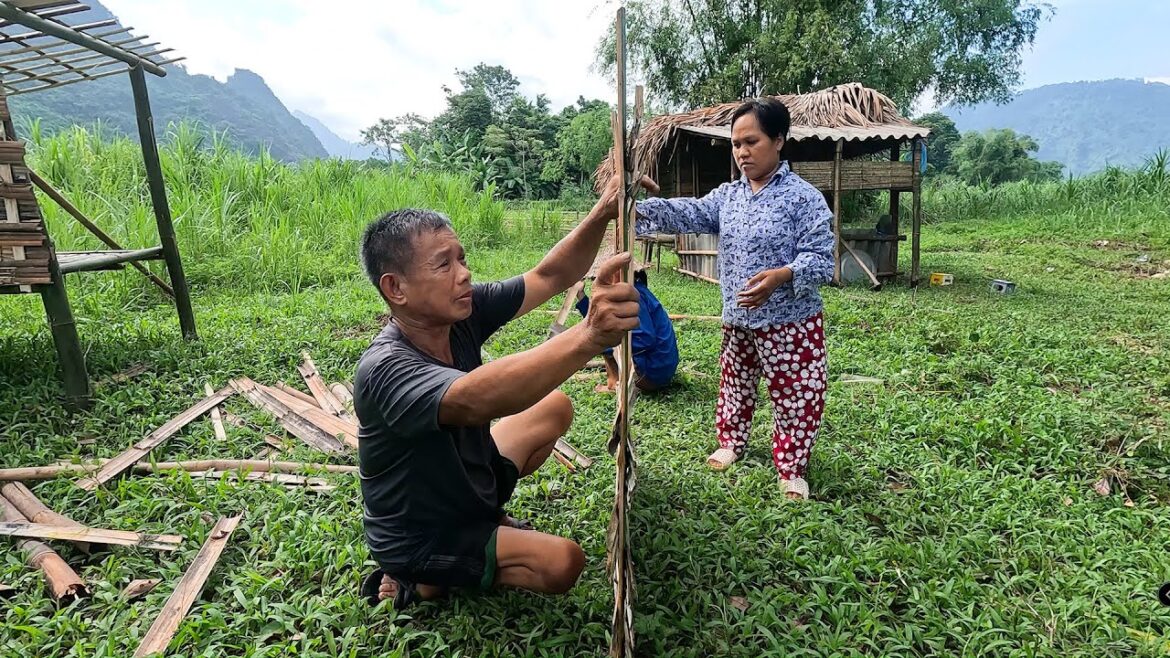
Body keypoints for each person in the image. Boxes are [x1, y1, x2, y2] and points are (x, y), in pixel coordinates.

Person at [354, 174, 657, 609]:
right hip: (422, 532)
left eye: (462, 259)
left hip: (469, 486)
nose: (464, 274)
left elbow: (550, 275)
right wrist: (589, 335)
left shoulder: (462, 312)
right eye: (444, 265)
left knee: (555, 406)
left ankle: (485, 526)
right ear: (395, 288)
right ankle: (421, 580)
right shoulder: (384, 368)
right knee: (562, 563)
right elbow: (479, 397)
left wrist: (603, 212)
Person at [634, 98, 835, 500]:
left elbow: (822, 259)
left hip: (790, 320)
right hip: (739, 317)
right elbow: (687, 213)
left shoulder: (804, 198)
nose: (742, 152)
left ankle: (792, 467)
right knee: (735, 383)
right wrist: (635, 206)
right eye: (735, 144)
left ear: (778, 140)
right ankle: (731, 443)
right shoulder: (728, 197)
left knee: (797, 393)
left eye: (751, 141)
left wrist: (783, 275)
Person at [575, 268, 679, 393]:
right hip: (661, 367)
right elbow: (597, 319)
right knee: (605, 332)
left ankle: (614, 384)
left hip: (654, 373)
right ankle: (618, 374)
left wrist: (610, 340)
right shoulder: (633, 290)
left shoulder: (634, 295)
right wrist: (581, 296)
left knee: (604, 338)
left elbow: (645, 339)